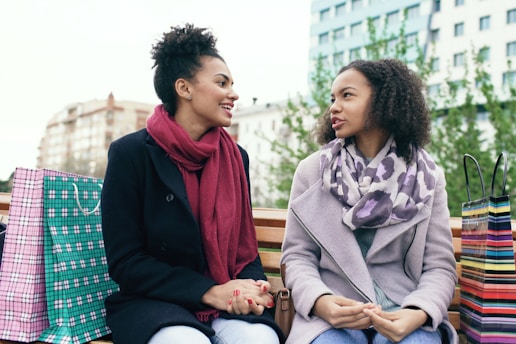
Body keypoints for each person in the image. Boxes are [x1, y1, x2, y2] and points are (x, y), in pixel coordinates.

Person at [101, 24, 282, 344]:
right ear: (184, 88)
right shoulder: (131, 154)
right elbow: (126, 262)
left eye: (232, 84)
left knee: (259, 340)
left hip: (226, 306)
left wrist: (250, 290)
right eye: (221, 83)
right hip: (155, 302)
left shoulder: (236, 158)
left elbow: (246, 251)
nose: (234, 93)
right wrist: (209, 291)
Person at [280, 58, 459, 344]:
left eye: (347, 95)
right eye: (332, 98)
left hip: (403, 311)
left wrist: (417, 311)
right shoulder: (313, 171)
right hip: (333, 316)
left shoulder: (426, 176)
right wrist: (321, 301)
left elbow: (439, 266)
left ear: (384, 101)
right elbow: (297, 257)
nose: (333, 107)